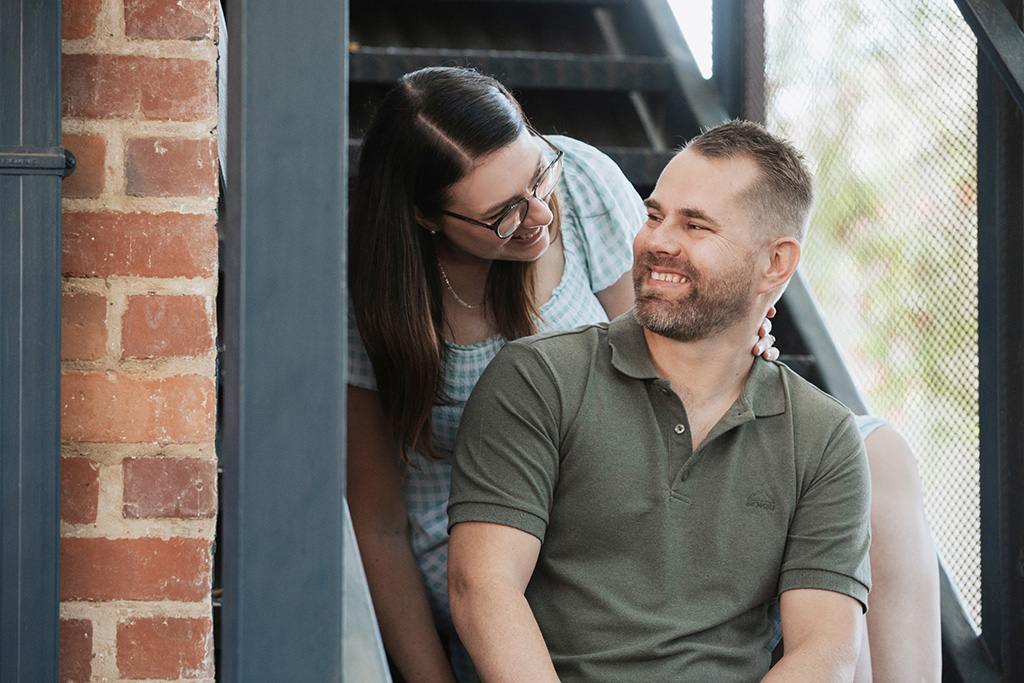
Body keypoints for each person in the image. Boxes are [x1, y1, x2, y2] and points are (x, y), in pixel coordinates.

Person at [346, 67, 778, 683]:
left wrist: (729, 343)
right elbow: (378, 525)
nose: (536, 216)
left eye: (537, 175)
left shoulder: (580, 185)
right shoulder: (370, 294)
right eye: (501, 215)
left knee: (873, 468)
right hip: (485, 547)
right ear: (426, 217)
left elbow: (671, 376)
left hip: (620, 509)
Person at [447, 120, 872, 681]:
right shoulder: (539, 378)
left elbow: (826, 650)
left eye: (695, 225)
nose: (656, 241)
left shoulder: (823, 438)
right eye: (654, 215)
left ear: (776, 263)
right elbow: (483, 587)